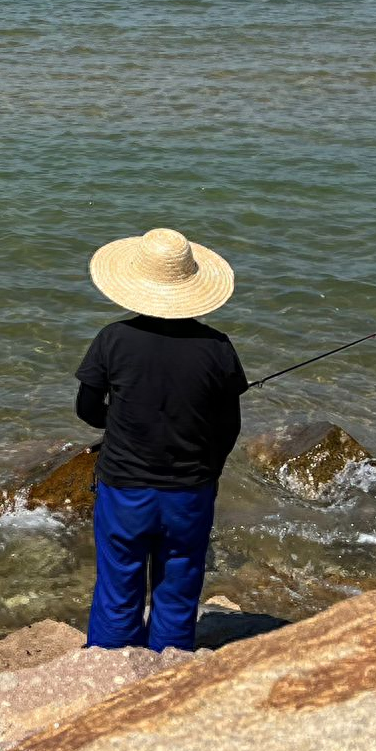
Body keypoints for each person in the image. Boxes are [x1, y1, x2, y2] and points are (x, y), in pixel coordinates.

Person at [75, 227, 247, 653]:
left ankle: (111, 677)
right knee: (178, 587)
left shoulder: (113, 339)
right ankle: (167, 678)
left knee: (118, 586)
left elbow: (87, 409)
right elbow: (229, 427)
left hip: (125, 490)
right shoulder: (217, 347)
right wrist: (208, 470)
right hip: (189, 493)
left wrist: (116, 424)